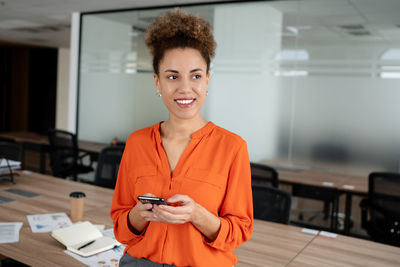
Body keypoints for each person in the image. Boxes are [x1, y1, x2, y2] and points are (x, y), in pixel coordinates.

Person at [110, 9, 253, 267]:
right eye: (172, 76)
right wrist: (138, 214)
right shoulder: (137, 142)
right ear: (157, 82)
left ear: (207, 80)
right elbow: (121, 227)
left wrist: (197, 214)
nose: (185, 88)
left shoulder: (232, 147)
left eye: (196, 75)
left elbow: (240, 231)